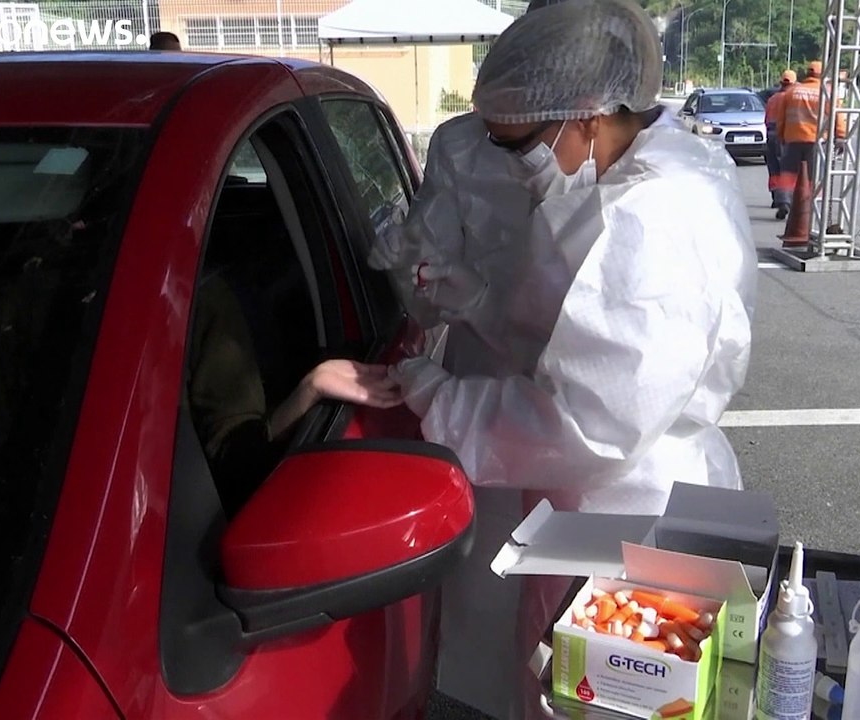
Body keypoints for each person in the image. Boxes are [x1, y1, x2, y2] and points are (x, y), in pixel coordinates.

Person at [390, 0, 756, 715]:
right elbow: (577, 340)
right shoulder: (639, 175)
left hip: (630, 510)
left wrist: (433, 395)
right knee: (569, 686)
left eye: (519, 141)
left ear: (587, 112)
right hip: (604, 502)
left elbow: (586, 425)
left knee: (606, 693)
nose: (514, 164)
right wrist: (476, 300)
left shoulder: (655, 218)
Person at [365, 0, 580, 714]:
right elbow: (425, 282)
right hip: (494, 384)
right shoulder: (465, 144)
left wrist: (449, 293)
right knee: (493, 584)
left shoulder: (622, 157)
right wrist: (418, 271)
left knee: (569, 598)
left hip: (570, 388)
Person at [187, 275, 400, 516]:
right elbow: (237, 465)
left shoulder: (213, 301)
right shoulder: (207, 303)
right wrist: (312, 386)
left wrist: (313, 386)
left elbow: (236, 459)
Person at [773, 60, 847, 224]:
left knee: (788, 173)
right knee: (814, 177)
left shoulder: (792, 92)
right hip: (816, 140)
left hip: (793, 138)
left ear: (807, 73)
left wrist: (781, 135)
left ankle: (784, 201)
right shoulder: (827, 93)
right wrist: (840, 136)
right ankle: (810, 207)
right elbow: (838, 117)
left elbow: (781, 117)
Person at [764, 69, 797, 208]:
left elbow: (766, 120)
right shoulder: (793, 98)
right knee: (787, 169)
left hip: (772, 136)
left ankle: (776, 197)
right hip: (787, 136)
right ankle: (785, 199)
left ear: (781, 83)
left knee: (774, 169)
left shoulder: (772, 99)